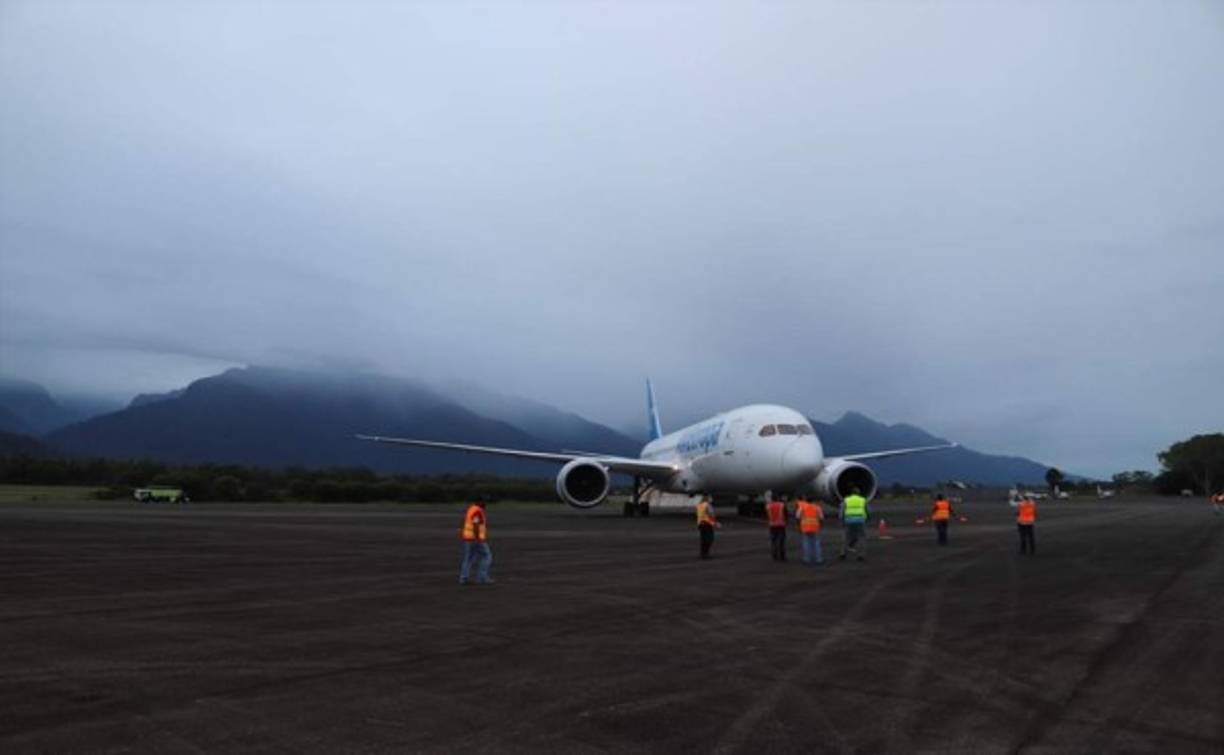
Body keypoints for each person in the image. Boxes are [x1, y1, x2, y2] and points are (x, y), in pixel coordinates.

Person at [459, 497, 493, 585]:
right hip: (475, 539)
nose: (485, 504)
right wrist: (478, 538)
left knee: (469, 558)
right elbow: (476, 524)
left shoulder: (471, 509)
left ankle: (464, 578)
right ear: (479, 502)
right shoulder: (477, 511)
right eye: (484, 502)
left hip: (468, 538)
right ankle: (482, 578)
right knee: (486, 556)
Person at [839, 487, 869, 562]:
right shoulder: (863, 500)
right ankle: (861, 555)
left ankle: (842, 554)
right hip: (860, 520)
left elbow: (842, 512)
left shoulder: (846, 500)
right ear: (858, 493)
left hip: (849, 520)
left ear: (851, 493)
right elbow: (867, 511)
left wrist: (842, 521)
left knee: (846, 537)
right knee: (861, 538)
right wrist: (867, 519)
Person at [795, 494, 825, 565]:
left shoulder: (802, 507)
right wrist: (821, 526)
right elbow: (821, 518)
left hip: (805, 527)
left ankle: (807, 559)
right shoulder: (817, 507)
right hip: (815, 527)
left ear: (806, 500)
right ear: (813, 501)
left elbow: (797, 517)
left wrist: (798, 526)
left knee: (806, 543)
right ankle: (818, 559)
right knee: (816, 543)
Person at [696, 495, 720, 559]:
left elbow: (700, 515)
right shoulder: (708, 505)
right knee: (709, 539)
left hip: (700, 524)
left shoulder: (699, 505)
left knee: (703, 540)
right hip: (707, 524)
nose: (710, 499)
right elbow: (711, 515)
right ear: (707, 498)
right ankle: (706, 554)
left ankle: (702, 553)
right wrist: (716, 523)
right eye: (710, 498)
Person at [765, 495, 788, 561]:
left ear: (771, 499)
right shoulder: (781, 505)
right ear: (777, 498)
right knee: (781, 542)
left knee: (773, 541)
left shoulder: (768, 506)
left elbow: (767, 515)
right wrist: (786, 522)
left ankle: (774, 555)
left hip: (772, 525)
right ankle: (782, 556)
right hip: (781, 525)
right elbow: (785, 514)